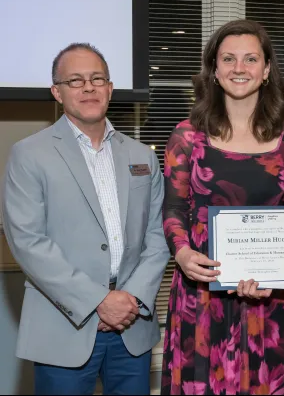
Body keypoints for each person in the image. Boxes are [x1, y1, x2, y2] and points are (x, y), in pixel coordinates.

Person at [2, 43, 170, 395]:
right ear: (57, 92)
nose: (89, 88)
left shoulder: (142, 157)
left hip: (131, 326)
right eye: (75, 80)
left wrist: (132, 300)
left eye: (97, 79)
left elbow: (157, 238)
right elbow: (28, 242)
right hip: (63, 327)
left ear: (110, 88)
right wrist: (98, 301)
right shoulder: (29, 154)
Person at [161, 19, 284, 395]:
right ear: (214, 69)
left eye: (250, 59)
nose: (239, 68)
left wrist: (277, 276)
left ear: (266, 70)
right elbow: (173, 208)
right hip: (201, 296)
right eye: (228, 59)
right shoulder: (187, 136)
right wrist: (181, 253)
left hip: (270, 301)